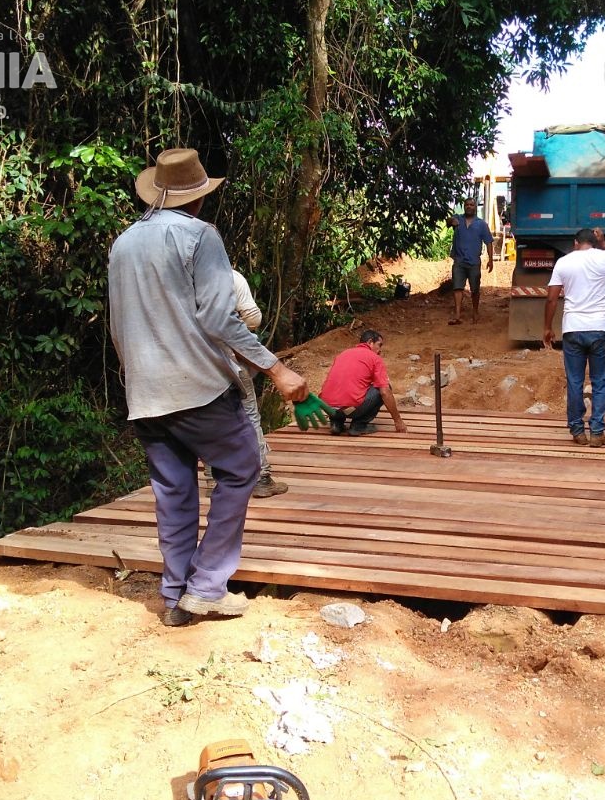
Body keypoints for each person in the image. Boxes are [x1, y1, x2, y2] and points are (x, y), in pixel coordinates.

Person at [108, 148, 309, 628]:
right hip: (197, 389)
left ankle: (176, 596)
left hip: (145, 394)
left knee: (173, 492)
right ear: (198, 199)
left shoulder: (124, 243)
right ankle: (207, 588)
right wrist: (276, 369)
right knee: (241, 468)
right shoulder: (199, 236)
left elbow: (120, 325)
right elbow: (220, 318)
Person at [542, 227, 605, 448]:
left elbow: (552, 299)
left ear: (575, 243)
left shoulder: (564, 262)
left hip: (572, 329)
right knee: (600, 381)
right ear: (594, 241)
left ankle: (577, 431)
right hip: (599, 329)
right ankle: (597, 432)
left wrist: (547, 328)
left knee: (575, 381)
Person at [229, 269, 287, 499]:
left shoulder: (178, 279)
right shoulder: (229, 276)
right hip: (231, 360)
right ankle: (261, 477)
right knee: (249, 416)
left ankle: (213, 479)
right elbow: (253, 319)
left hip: (196, 366)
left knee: (212, 417)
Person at [318, 329, 409, 436]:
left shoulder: (343, 354)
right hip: (349, 410)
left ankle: (336, 423)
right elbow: (385, 392)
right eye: (379, 345)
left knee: (341, 391)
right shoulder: (374, 358)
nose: (380, 350)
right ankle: (358, 426)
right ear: (370, 342)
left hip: (327, 407)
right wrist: (398, 421)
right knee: (383, 387)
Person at [448, 197, 494, 325]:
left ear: (475, 207)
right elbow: (449, 221)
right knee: (457, 288)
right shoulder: (458, 219)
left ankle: (475, 311)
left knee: (475, 290)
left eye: (471, 205)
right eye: (467, 205)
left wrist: (491, 260)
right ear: (464, 207)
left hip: (474, 262)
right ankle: (457, 315)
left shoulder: (481, 224)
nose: (469, 207)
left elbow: (489, 242)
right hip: (459, 261)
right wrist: (452, 221)